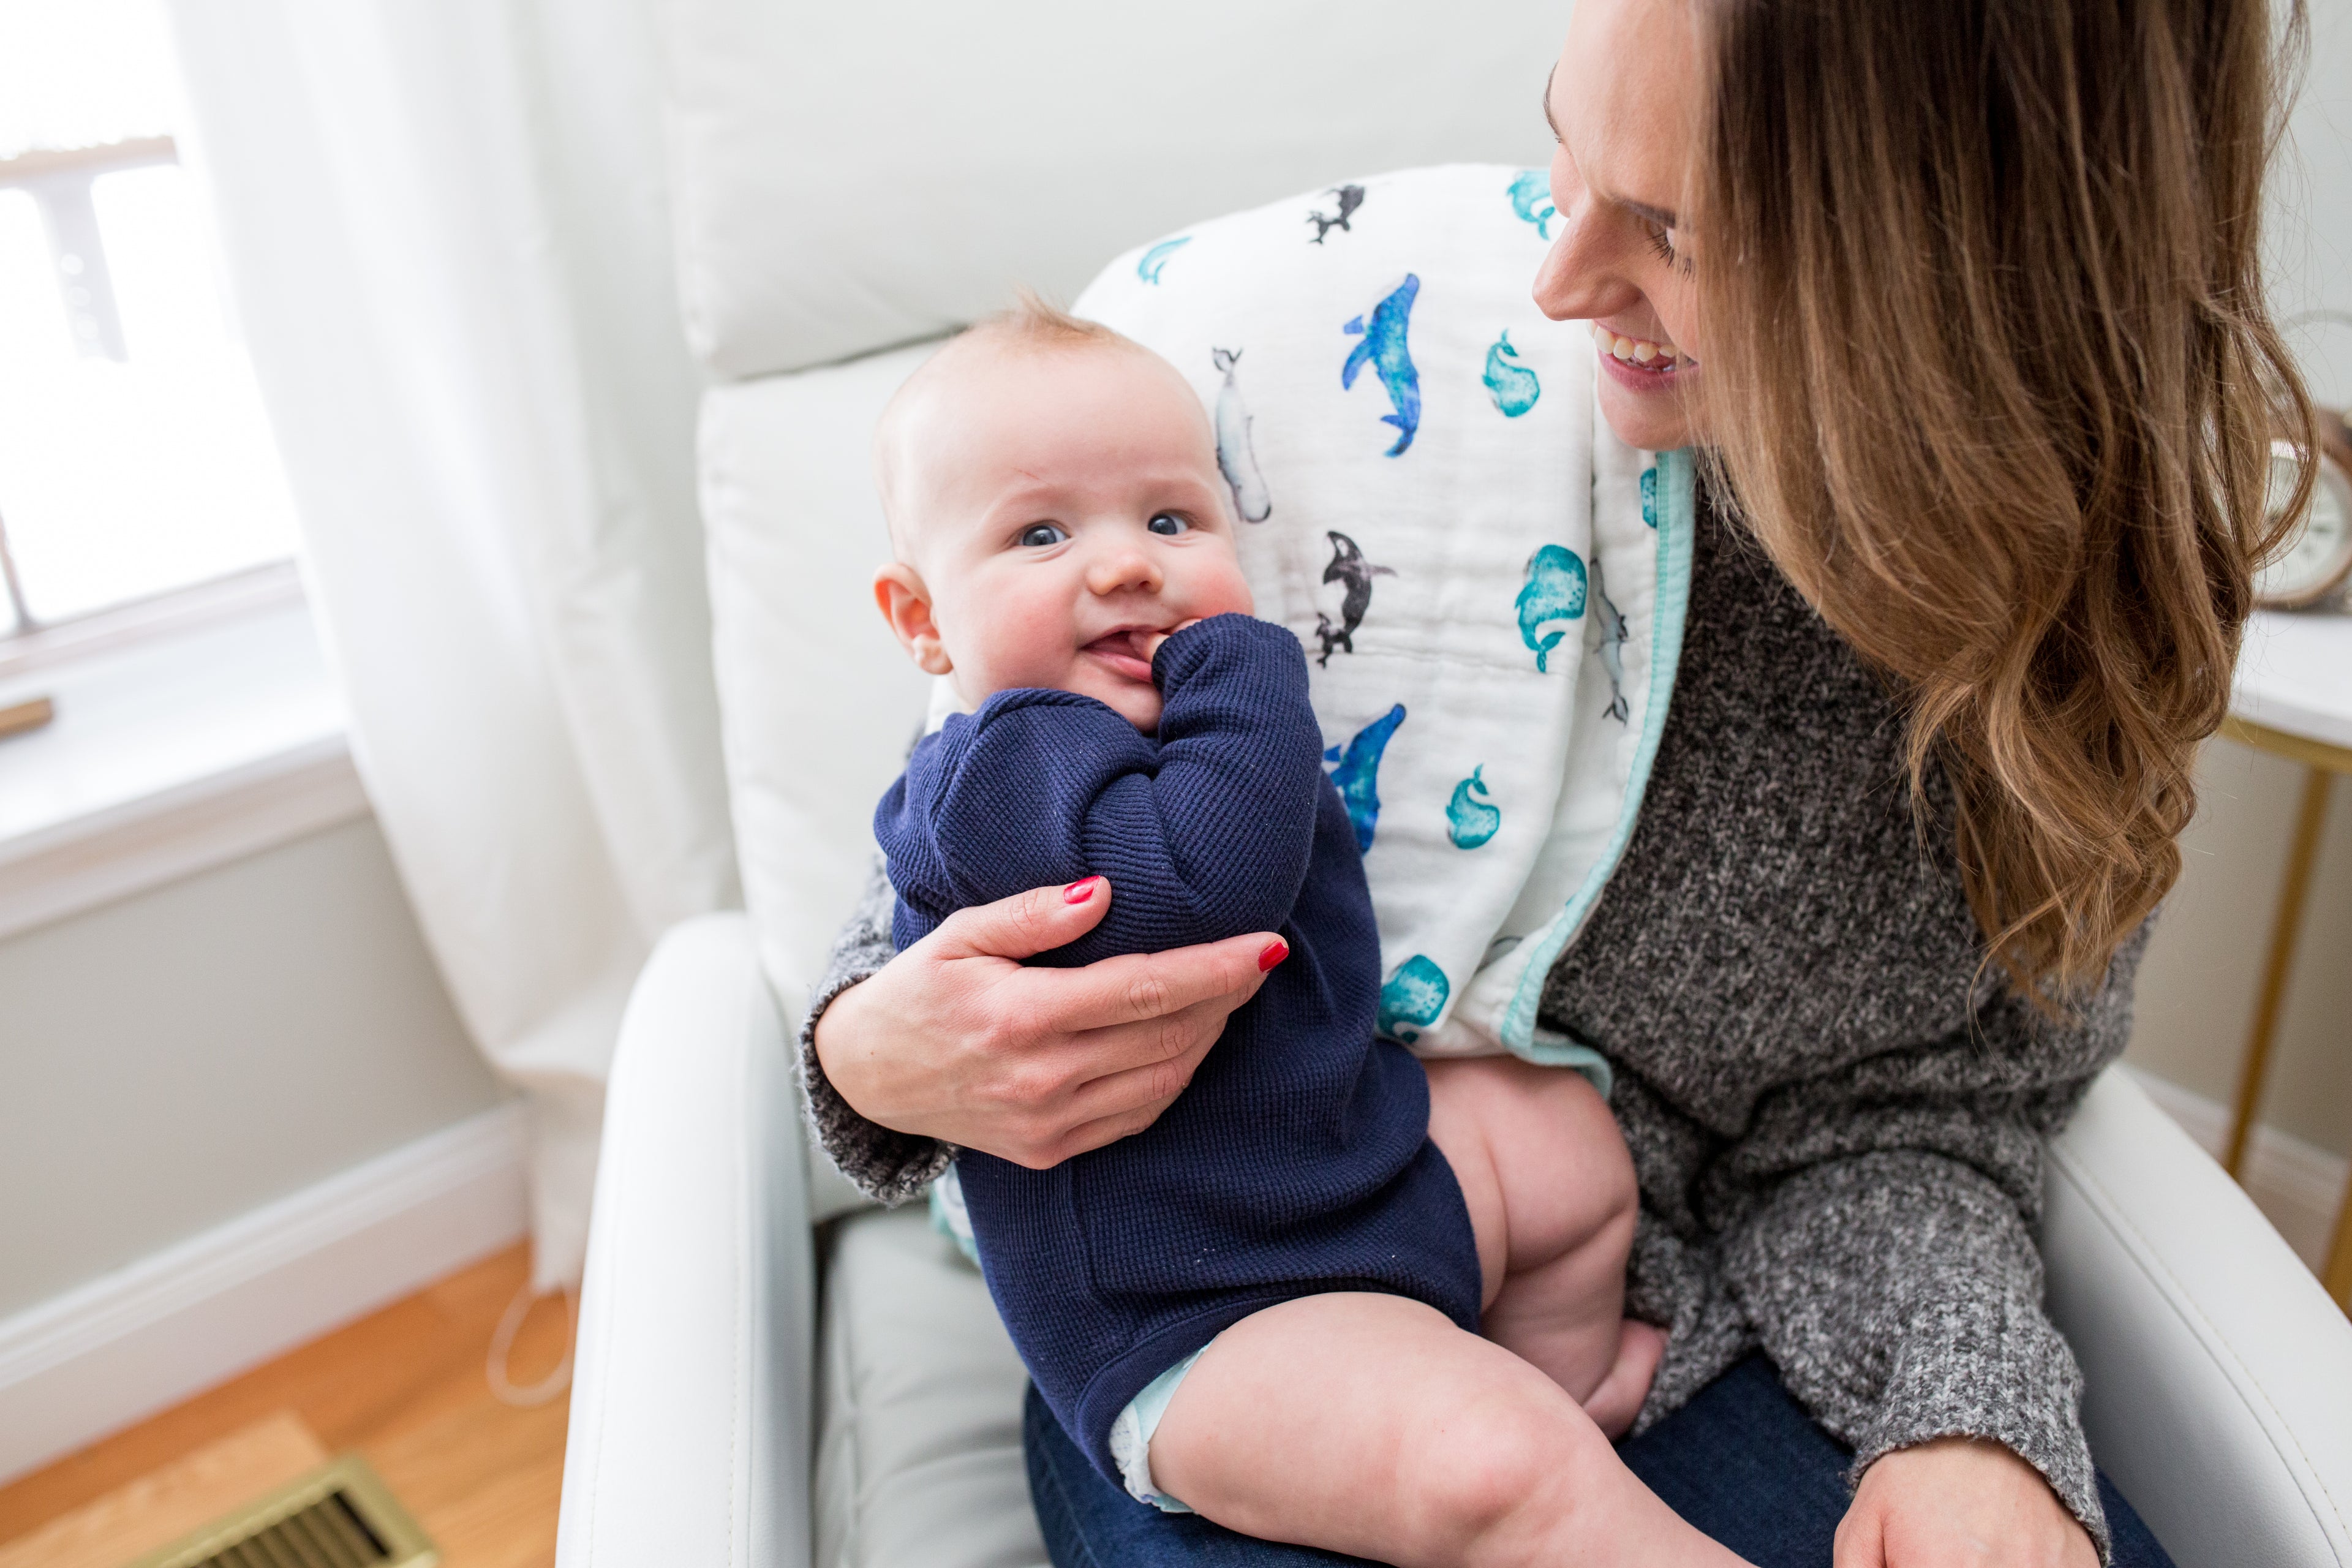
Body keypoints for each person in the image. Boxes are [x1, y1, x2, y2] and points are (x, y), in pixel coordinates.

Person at [801, 0, 2312, 1562]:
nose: (1556, 280)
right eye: (1566, 146)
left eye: (1672, 230)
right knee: (1465, 1464)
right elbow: (959, 838)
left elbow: (1921, 1113)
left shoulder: (2053, 626)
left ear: (1948, 275)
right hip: (1197, 1297)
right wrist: (870, 1051)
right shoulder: (1257, 386)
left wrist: (1965, 1413)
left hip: (1579, 1261)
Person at [863, 301, 1694, 1563]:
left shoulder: (1184, 732)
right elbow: (1207, 883)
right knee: (1494, 1459)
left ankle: (1558, 1393)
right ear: (924, 623)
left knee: (1563, 1141)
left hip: (1361, 1181)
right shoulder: (993, 774)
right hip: (1198, 1316)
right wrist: (1250, 664)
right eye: (1041, 532)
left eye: (1170, 518)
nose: (1126, 564)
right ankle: (1526, 1465)